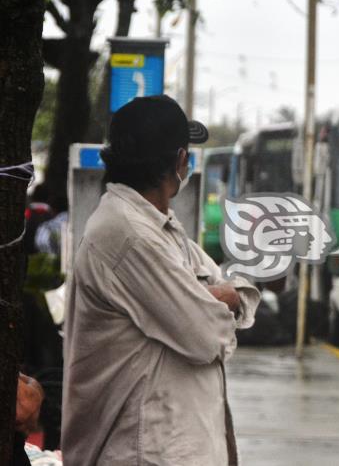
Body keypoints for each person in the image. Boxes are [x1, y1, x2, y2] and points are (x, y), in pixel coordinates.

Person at [62, 95, 260, 465]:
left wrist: (213, 295)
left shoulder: (160, 229)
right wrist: (218, 297)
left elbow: (239, 294)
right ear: (180, 161)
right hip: (144, 452)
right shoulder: (127, 233)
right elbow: (205, 335)